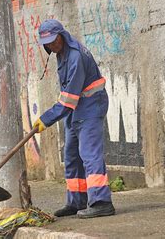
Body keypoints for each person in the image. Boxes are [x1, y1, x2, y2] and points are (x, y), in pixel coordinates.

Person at [32, 19, 115, 219]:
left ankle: (101, 202)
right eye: (48, 43)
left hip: (90, 108)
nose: (52, 45)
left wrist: (46, 119)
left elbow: (69, 99)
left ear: (62, 35)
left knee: (89, 155)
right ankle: (76, 201)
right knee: (71, 156)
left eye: (54, 40)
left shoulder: (76, 56)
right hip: (76, 110)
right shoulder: (62, 54)